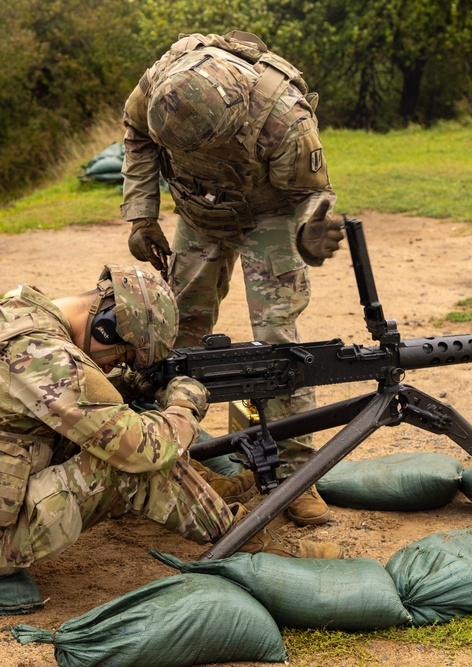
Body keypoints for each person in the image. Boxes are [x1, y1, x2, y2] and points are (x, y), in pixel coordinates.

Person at [0, 265, 342, 574]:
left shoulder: (13, 314)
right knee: (128, 463)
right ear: (105, 326)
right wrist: (183, 404)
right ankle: (255, 545)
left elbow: (46, 405)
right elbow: (143, 450)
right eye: (122, 353)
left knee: (115, 429)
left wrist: (130, 386)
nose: (116, 365)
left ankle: (210, 494)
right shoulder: (49, 359)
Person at [120, 30, 345, 527]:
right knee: (174, 331)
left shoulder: (283, 116)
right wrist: (141, 215)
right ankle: (164, 457)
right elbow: (136, 136)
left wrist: (311, 231)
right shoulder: (160, 83)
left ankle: (294, 473)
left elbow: (314, 195)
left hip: (270, 214)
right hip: (198, 210)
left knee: (278, 341)